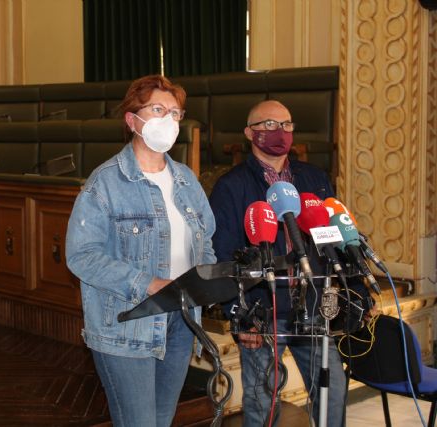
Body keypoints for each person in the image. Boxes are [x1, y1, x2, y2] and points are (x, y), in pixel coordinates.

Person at [209, 100, 372, 427]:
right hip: (262, 313)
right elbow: (223, 254)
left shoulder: (314, 179)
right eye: (268, 124)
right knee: (263, 408)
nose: (279, 131)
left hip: (311, 307)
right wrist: (238, 314)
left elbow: (331, 239)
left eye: (286, 124)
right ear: (248, 133)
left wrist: (356, 287)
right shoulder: (232, 185)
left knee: (333, 392)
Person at [66, 75, 216, 427]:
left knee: (161, 421)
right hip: (128, 324)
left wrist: (207, 279)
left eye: (176, 113)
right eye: (158, 109)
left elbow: (205, 239)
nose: (169, 119)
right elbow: (81, 255)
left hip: (181, 320)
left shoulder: (186, 179)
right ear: (132, 120)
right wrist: (149, 283)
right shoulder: (105, 182)